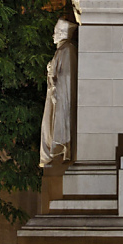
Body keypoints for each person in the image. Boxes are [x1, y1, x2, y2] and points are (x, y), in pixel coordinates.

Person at [39, 18, 77, 167]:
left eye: (55, 32)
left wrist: (55, 83)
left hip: (59, 95)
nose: (53, 36)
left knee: (56, 124)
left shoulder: (67, 49)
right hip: (54, 94)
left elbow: (67, 75)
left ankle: (60, 149)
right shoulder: (62, 50)